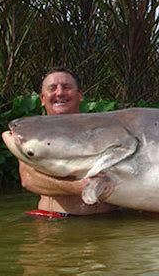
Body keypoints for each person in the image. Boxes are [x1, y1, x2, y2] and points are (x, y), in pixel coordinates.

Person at [19, 66, 118, 217]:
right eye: (52, 88)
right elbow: (28, 179)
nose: (59, 93)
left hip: (108, 221)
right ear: (42, 98)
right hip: (54, 224)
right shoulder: (32, 134)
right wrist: (77, 188)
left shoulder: (103, 129)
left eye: (66, 87)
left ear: (80, 95)